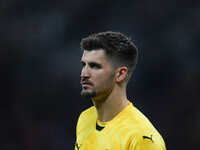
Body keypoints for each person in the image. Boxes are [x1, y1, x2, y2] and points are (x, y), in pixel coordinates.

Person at [75, 31, 166, 150]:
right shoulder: (85, 118)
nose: (84, 74)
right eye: (84, 65)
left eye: (94, 66)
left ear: (120, 74)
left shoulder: (141, 138)